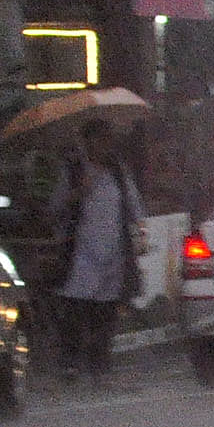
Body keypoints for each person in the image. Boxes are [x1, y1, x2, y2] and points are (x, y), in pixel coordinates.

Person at [49, 120, 147, 386]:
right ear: (88, 141)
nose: (106, 145)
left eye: (108, 139)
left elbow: (134, 207)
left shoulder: (117, 172)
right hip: (80, 255)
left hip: (113, 255)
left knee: (105, 315)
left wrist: (139, 235)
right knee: (76, 312)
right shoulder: (73, 170)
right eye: (100, 139)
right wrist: (79, 191)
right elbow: (55, 207)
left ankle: (99, 366)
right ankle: (70, 363)